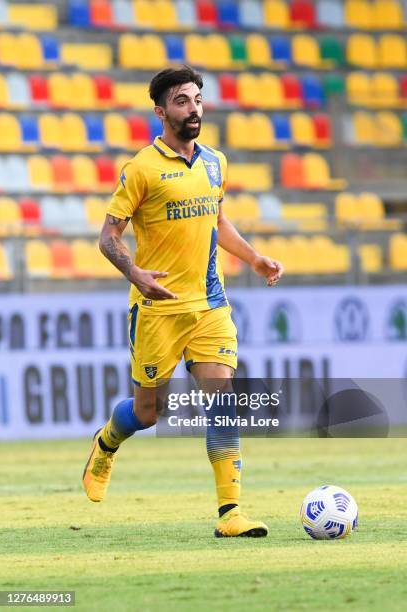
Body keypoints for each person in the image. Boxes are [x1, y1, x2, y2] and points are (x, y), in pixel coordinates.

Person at [82, 65, 283, 537]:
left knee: (222, 401)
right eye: (181, 101)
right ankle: (108, 441)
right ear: (160, 111)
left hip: (209, 304)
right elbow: (108, 237)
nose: (192, 109)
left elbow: (216, 220)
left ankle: (230, 514)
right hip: (157, 309)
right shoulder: (141, 169)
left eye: (196, 99)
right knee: (149, 413)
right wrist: (134, 272)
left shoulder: (215, 161)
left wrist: (253, 258)